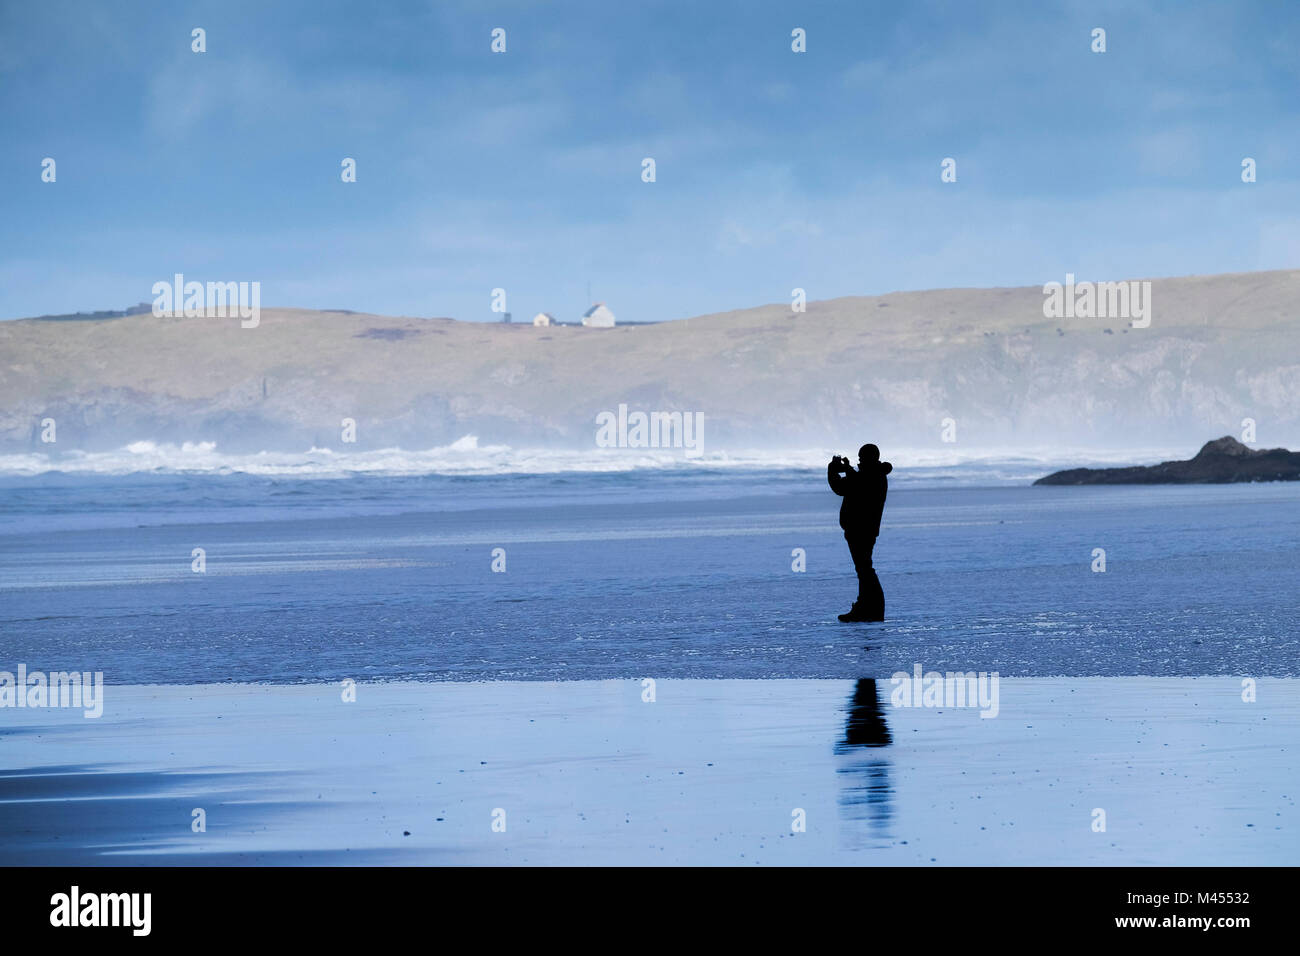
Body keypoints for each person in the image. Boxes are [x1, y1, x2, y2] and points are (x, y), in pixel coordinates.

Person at [827, 444, 892, 622]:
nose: (860, 461)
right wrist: (848, 469)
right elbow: (856, 485)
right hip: (865, 529)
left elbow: (842, 488)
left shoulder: (870, 476)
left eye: (862, 458)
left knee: (865, 570)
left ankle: (870, 609)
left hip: (861, 529)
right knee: (864, 569)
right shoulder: (874, 474)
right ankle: (867, 608)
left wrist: (833, 470)